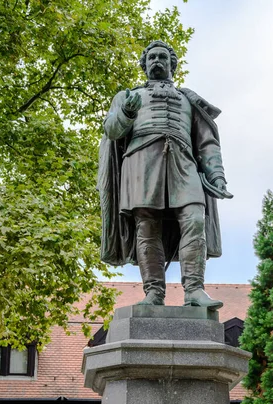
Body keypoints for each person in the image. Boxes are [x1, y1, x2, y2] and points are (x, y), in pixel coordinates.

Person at [98, 40, 232, 309]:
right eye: (151, 58)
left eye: (162, 57)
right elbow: (111, 131)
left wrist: (216, 175)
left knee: (195, 219)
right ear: (144, 64)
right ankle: (154, 293)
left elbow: (207, 143)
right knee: (147, 227)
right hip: (141, 163)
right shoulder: (128, 96)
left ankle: (194, 290)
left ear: (172, 64)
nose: (156, 61)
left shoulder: (188, 100)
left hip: (183, 162)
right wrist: (126, 112)